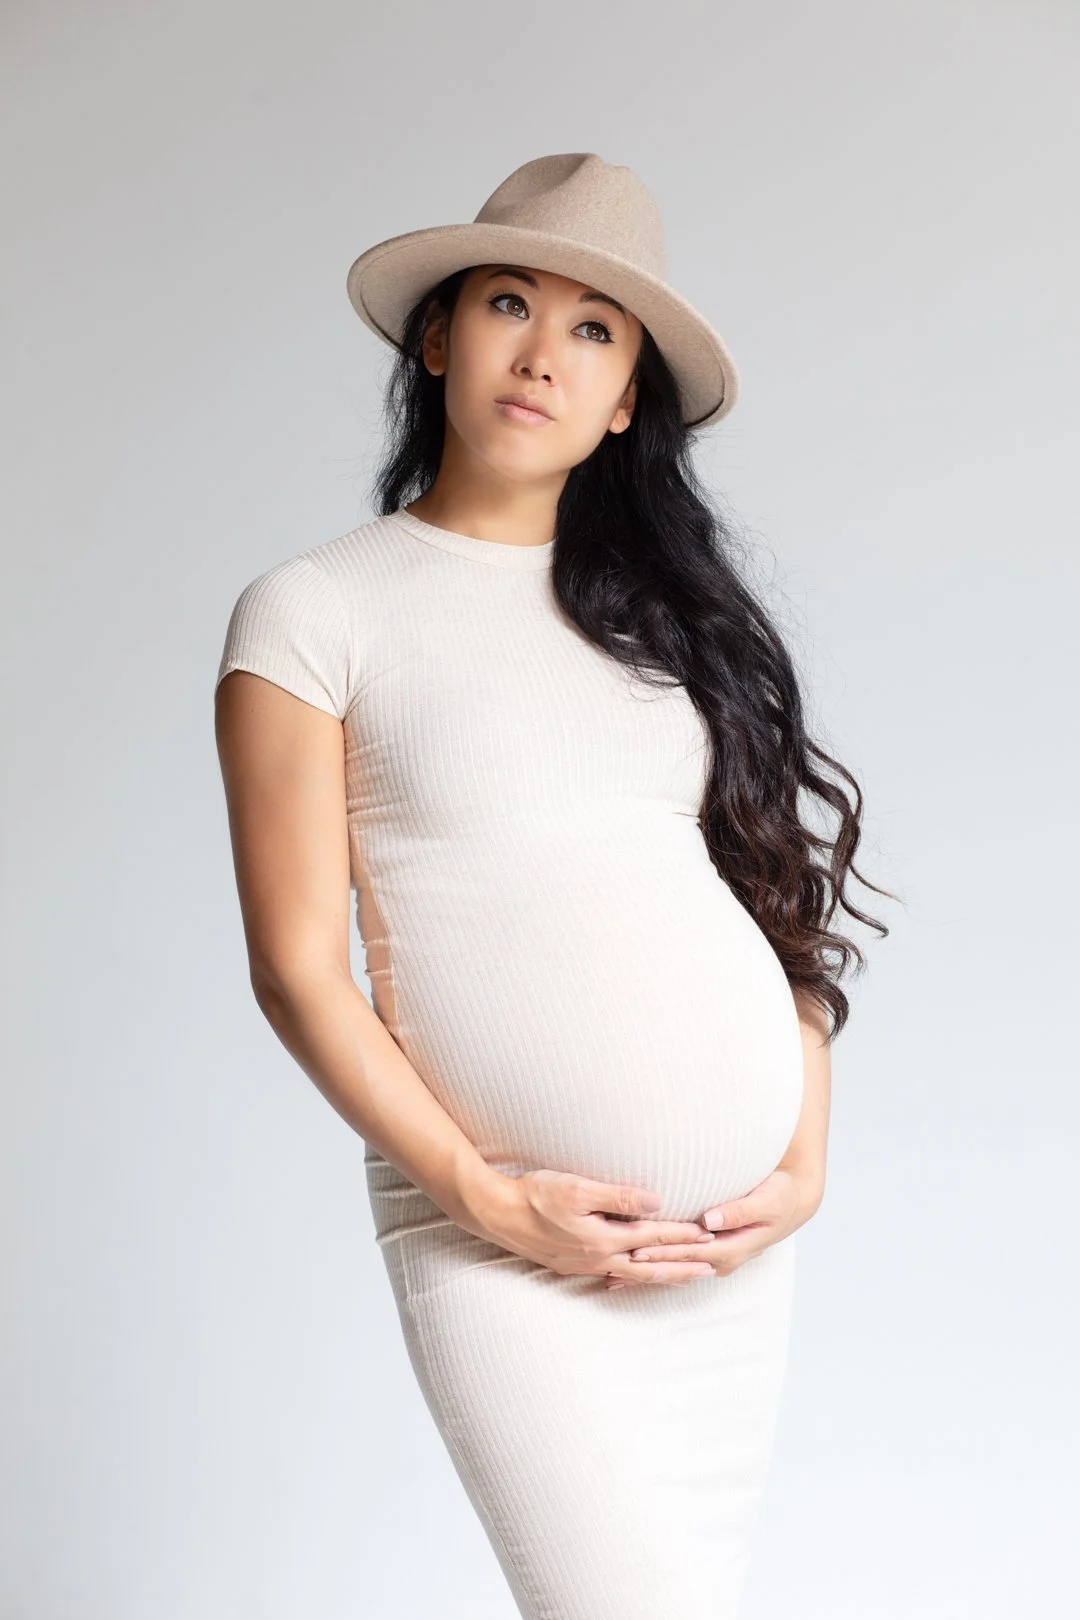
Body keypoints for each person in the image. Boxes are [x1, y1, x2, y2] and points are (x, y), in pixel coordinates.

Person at [213, 152, 891, 1620]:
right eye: (509, 304)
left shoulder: (667, 623)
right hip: (497, 1238)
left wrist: (803, 1155)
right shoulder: (315, 613)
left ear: (628, 398)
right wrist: (483, 1197)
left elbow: (765, 898)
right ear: (438, 335)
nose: (543, 355)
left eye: (595, 330)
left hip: (727, 1261)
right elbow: (297, 970)